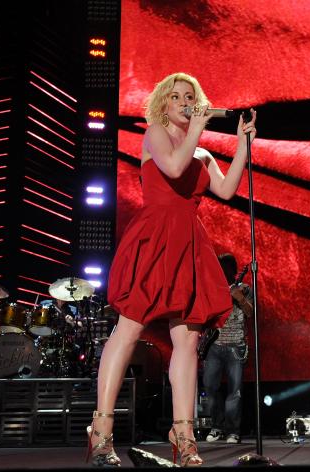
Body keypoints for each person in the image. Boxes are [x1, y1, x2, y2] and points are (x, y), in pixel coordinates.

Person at [85, 72, 257, 467]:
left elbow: (227, 190)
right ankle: (101, 431)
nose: (183, 101)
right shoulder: (155, 134)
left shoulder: (204, 153)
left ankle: (184, 435)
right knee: (128, 329)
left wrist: (243, 145)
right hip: (154, 238)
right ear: (163, 103)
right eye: (176, 96)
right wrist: (196, 129)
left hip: (189, 244)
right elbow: (175, 170)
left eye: (190, 96)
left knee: (189, 340)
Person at [202, 253, 253, 444]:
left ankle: (233, 431)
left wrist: (239, 297)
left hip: (236, 346)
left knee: (235, 391)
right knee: (210, 387)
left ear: (232, 269)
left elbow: (251, 313)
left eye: (224, 268)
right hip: (213, 345)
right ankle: (217, 427)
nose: (221, 271)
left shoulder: (245, 288)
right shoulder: (212, 288)